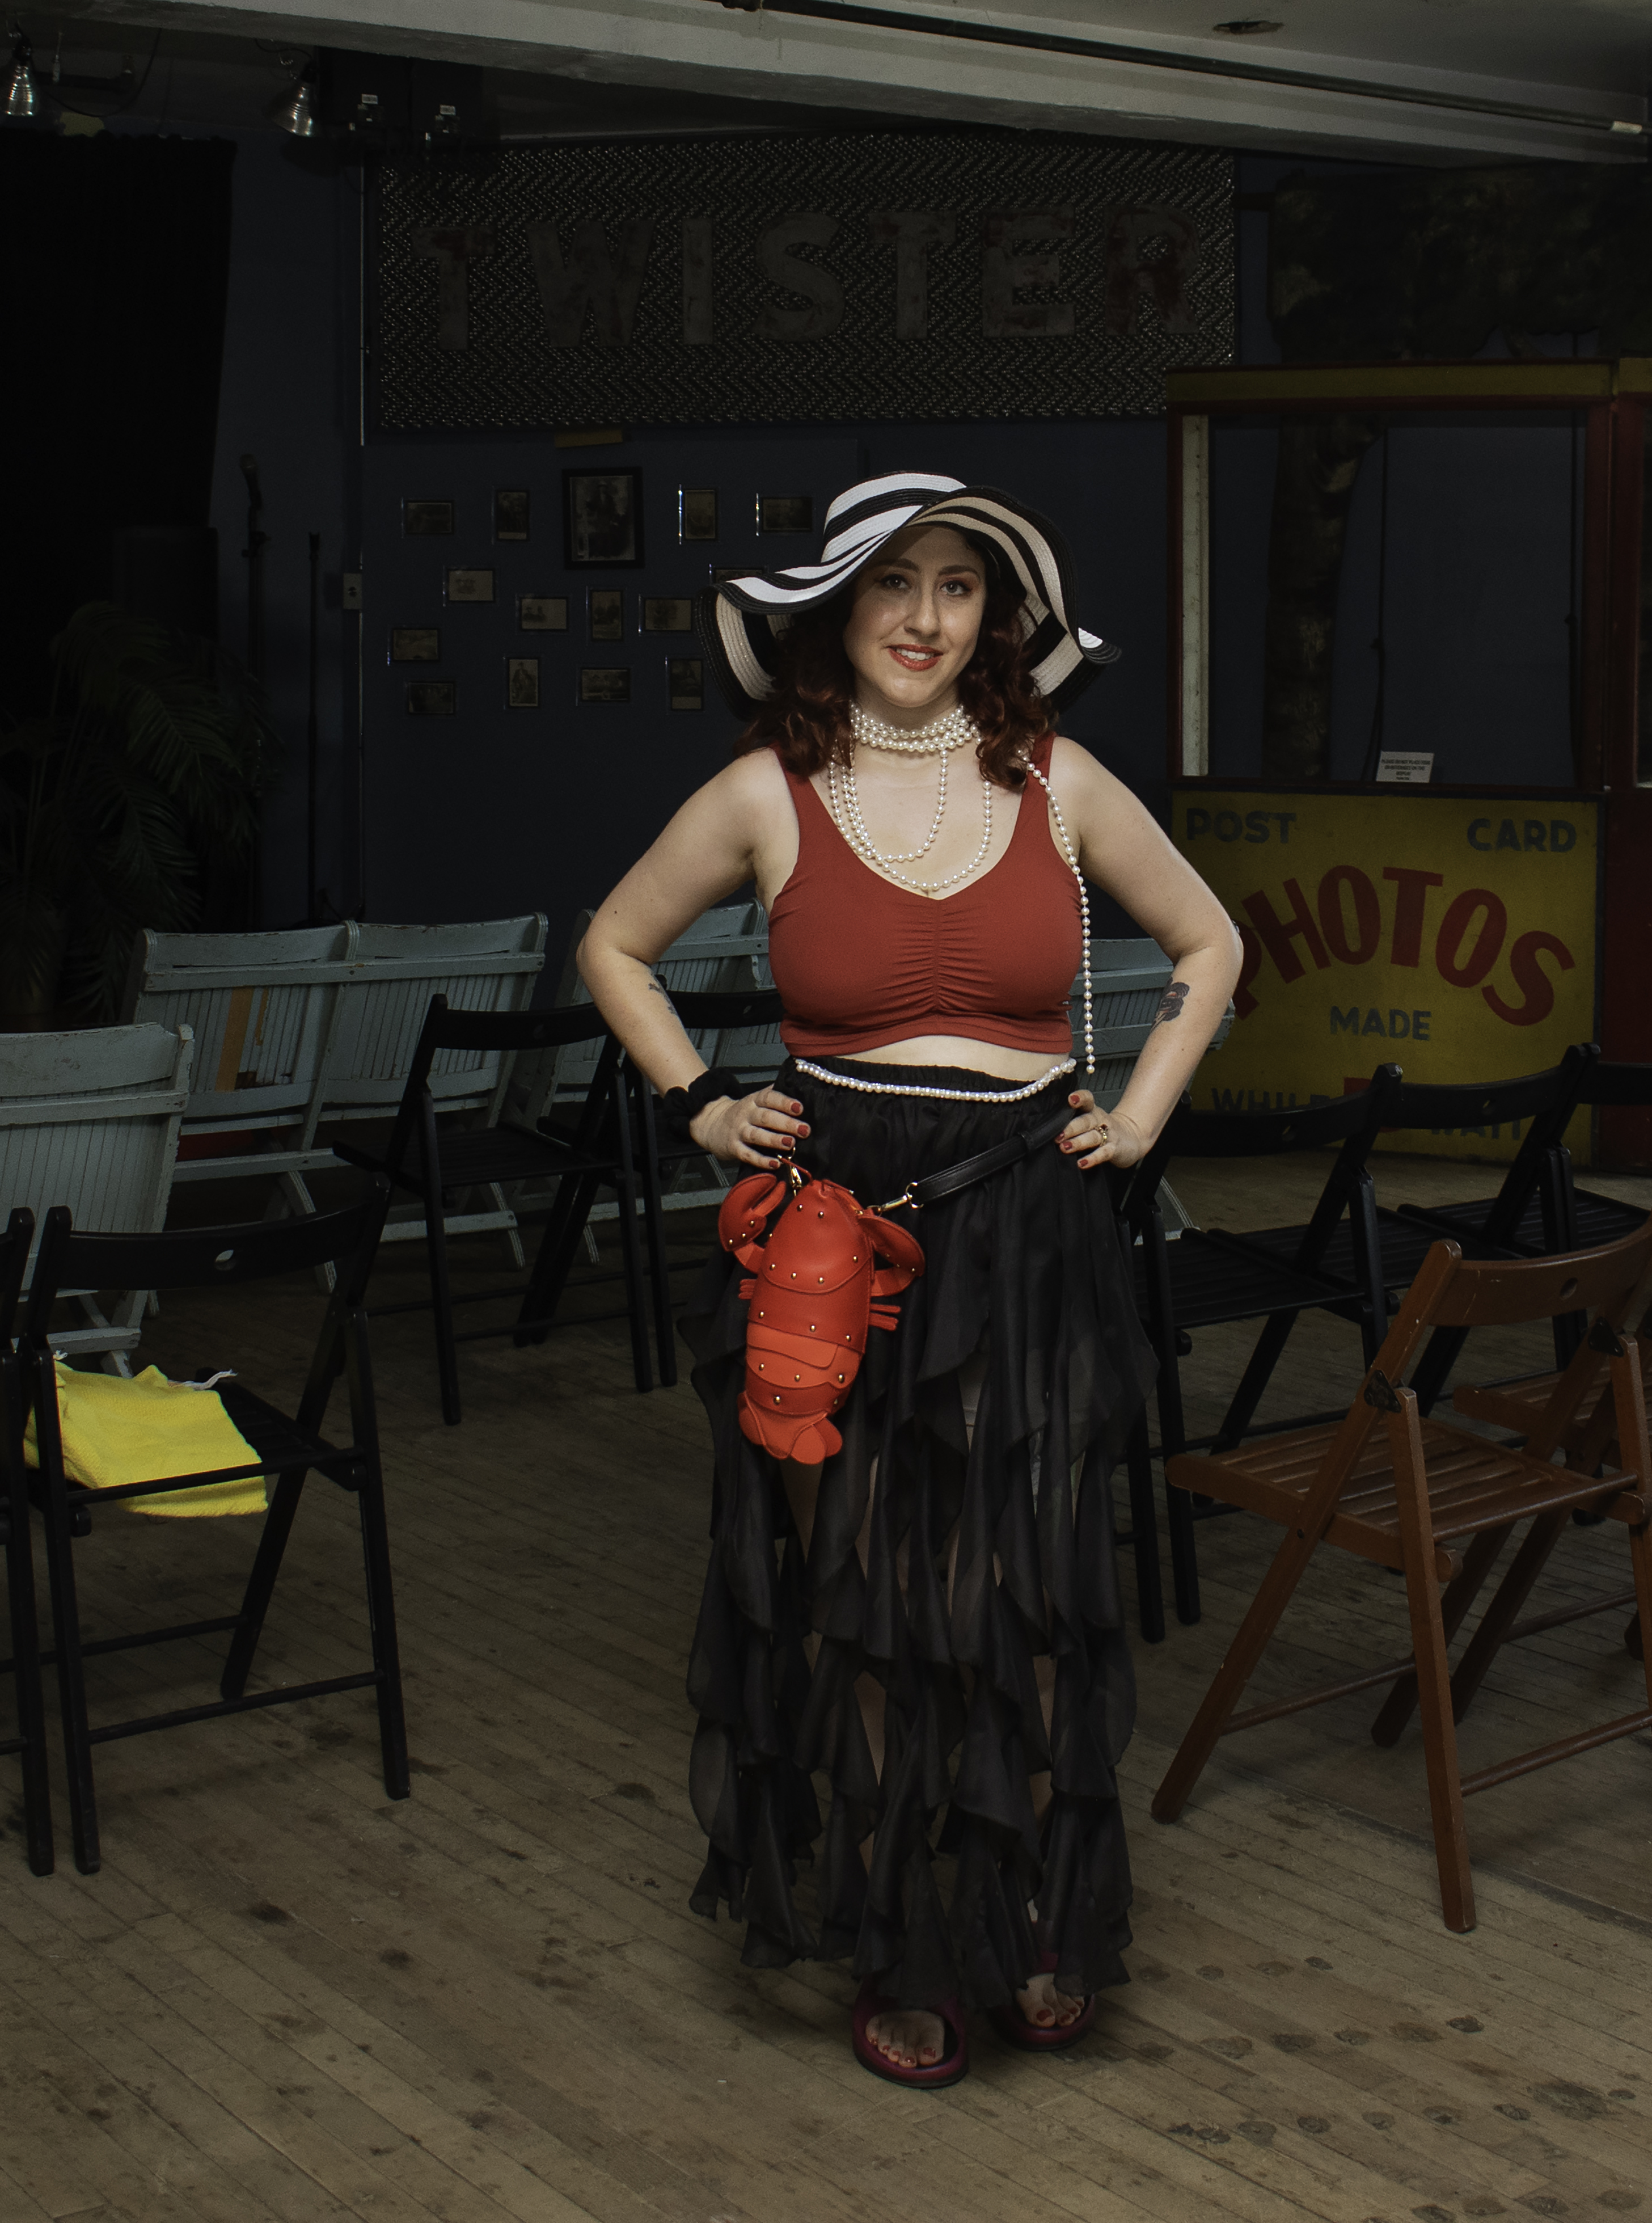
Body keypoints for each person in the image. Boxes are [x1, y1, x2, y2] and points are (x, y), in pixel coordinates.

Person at [574, 473, 1243, 2090]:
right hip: (841, 1219)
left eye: (957, 587)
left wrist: (1137, 1119)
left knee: (1023, 1581)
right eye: (894, 585)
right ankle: (907, 1934)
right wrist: (700, 1104)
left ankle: (1029, 1919)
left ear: (994, 619)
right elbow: (612, 945)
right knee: (870, 1590)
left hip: (1029, 1214)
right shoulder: (764, 793)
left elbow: (1213, 943)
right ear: (836, 613)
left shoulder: (1060, 778)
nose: (926, 616)